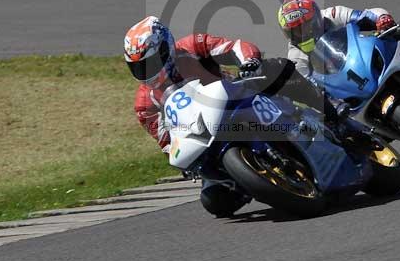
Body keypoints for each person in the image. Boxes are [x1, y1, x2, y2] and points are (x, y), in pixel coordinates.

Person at [123, 15, 348, 217]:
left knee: (278, 68)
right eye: (138, 68)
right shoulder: (145, 105)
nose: (145, 72)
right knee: (214, 202)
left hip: (240, 98)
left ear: (166, 48)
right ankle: (254, 181)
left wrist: (249, 61)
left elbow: (233, 47)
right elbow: (165, 141)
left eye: (149, 63)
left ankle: (331, 108)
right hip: (208, 137)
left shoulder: (190, 47)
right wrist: (181, 159)